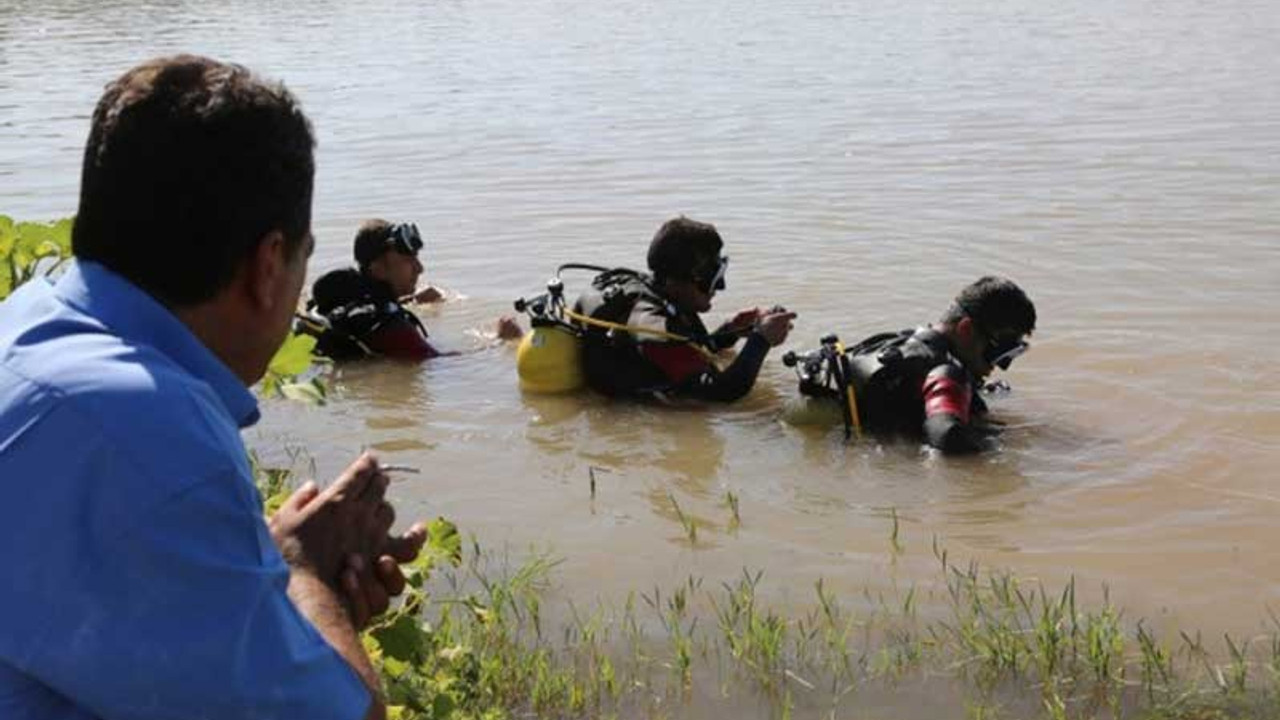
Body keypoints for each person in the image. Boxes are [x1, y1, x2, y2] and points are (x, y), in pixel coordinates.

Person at [0, 55, 421, 720]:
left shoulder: (26, 324)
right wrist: (304, 579)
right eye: (302, 260)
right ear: (269, 263)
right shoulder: (155, 438)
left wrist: (259, 568)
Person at [787, 276, 1036, 454]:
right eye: (999, 352)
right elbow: (946, 434)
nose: (1002, 366)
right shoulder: (947, 373)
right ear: (966, 329)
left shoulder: (900, 345)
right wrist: (1003, 450)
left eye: (1012, 354)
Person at [573, 216, 795, 401]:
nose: (720, 287)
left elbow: (689, 350)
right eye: (711, 279)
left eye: (719, 275)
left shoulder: (664, 295)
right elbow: (722, 393)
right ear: (676, 281)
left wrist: (732, 329)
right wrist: (761, 340)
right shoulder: (653, 328)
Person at [304, 219, 522, 360]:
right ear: (378, 269)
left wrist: (410, 299)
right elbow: (442, 365)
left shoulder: (348, 297)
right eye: (408, 261)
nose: (420, 268)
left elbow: (373, 308)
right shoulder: (390, 327)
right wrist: (500, 341)